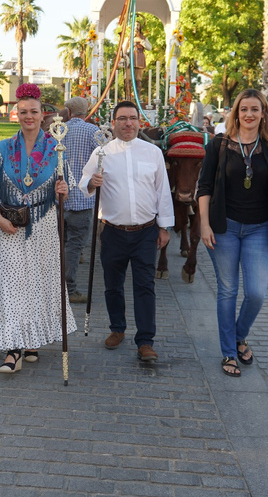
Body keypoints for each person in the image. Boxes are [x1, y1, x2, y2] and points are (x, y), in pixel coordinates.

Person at [0, 83, 76, 372]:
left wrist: (62, 189)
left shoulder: (57, 148)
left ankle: (32, 340)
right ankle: (13, 349)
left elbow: (65, 190)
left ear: (44, 115)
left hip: (43, 225)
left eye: (34, 111)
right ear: (16, 114)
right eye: (23, 111)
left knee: (39, 282)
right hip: (10, 227)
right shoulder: (3, 148)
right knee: (12, 284)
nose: (29, 116)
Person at [197, 89, 268, 378]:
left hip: (259, 228)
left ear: (263, 113)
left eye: (255, 109)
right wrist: (204, 223)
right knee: (228, 291)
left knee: (256, 292)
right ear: (236, 113)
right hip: (224, 226)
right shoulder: (218, 144)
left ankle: (238, 335)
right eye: (244, 109)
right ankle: (229, 352)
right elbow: (204, 187)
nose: (249, 115)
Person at [79, 100, 173, 362]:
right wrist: (91, 182)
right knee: (112, 285)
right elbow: (82, 182)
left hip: (145, 231)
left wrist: (164, 226)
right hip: (113, 231)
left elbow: (162, 191)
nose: (128, 123)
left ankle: (145, 341)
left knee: (145, 286)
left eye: (132, 118)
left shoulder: (152, 152)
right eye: (122, 118)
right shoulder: (102, 153)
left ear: (139, 122)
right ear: (114, 122)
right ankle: (117, 328)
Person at [61, 96, 99, 303]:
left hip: (59, 199)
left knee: (60, 245)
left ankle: (54, 287)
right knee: (74, 247)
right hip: (83, 200)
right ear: (86, 112)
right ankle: (69, 289)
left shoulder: (56, 131)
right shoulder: (94, 132)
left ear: (68, 112)